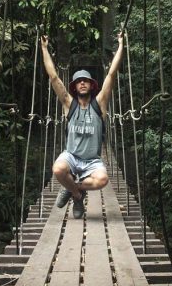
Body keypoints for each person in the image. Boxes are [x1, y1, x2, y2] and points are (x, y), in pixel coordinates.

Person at [40, 32, 125, 219]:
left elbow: (111, 74)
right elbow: (54, 77)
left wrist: (121, 46)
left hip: (92, 160)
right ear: (75, 87)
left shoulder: (99, 104)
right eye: (79, 82)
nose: (82, 83)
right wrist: (44, 49)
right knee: (58, 170)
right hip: (71, 156)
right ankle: (78, 196)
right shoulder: (69, 105)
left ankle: (72, 189)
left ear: (91, 85)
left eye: (85, 80)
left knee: (102, 180)